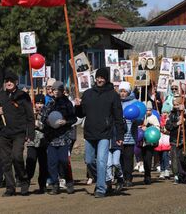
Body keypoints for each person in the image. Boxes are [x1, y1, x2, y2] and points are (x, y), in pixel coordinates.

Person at [75, 67, 124, 198]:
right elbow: (81, 114)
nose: (99, 79)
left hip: (105, 133)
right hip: (90, 132)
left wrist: (119, 135)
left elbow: (119, 117)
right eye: (97, 77)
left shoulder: (113, 95)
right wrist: (78, 106)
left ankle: (101, 189)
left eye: (102, 77)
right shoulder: (88, 94)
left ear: (106, 79)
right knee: (89, 160)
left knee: (102, 161)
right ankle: (104, 180)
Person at [0, 71, 35, 196]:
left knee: (17, 157)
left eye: (11, 81)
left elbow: (30, 116)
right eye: (7, 81)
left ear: (16, 82)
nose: (8, 83)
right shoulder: (0, 96)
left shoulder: (23, 96)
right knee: (5, 161)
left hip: (19, 133)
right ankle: (10, 188)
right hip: (4, 133)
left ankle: (24, 181)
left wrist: (31, 134)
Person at [41, 81, 76, 194]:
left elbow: (73, 119)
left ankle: (69, 181)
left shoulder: (67, 103)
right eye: (54, 89)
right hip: (51, 138)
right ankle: (55, 184)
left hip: (64, 137)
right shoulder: (49, 104)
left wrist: (65, 122)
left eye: (58, 90)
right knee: (52, 162)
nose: (55, 92)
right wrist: (48, 121)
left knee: (64, 161)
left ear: (62, 91)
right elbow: (43, 118)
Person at [119, 82, 140, 188]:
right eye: (121, 91)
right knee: (120, 157)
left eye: (124, 91)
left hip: (130, 134)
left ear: (128, 92)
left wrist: (136, 119)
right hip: (119, 134)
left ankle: (128, 178)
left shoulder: (135, 102)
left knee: (128, 157)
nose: (122, 94)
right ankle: (120, 177)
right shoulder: (117, 102)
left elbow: (140, 117)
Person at [25, 94, 48, 194]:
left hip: (43, 143)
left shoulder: (46, 113)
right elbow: (25, 125)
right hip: (32, 143)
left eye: (41, 103)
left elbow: (48, 126)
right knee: (30, 164)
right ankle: (26, 184)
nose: (39, 105)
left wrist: (39, 124)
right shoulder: (30, 113)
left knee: (43, 165)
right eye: (38, 103)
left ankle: (42, 185)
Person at [165, 97, 186, 184]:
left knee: (183, 158)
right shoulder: (171, 115)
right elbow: (168, 126)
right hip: (174, 140)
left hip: (185, 140)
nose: (176, 107)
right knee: (174, 158)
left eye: (177, 105)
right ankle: (176, 175)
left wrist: (185, 121)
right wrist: (177, 124)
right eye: (174, 105)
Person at [141, 101, 160, 185]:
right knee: (144, 159)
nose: (148, 112)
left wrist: (149, 127)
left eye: (149, 110)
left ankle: (147, 176)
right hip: (142, 141)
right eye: (146, 110)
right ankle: (146, 174)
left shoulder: (154, 117)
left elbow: (157, 128)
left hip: (149, 142)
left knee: (148, 158)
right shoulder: (142, 117)